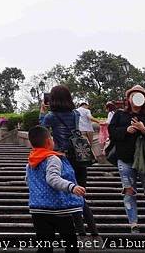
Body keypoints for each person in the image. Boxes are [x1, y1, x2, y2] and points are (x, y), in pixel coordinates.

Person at [42, 85, 98, 237]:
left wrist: (42, 113)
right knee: (79, 195)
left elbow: (41, 133)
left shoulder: (51, 116)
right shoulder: (75, 114)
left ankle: (83, 233)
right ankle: (92, 232)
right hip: (80, 157)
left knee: (72, 194)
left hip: (64, 158)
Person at [27, 125, 85, 253]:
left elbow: (28, 180)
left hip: (37, 209)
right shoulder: (52, 158)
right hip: (58, 209)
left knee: (44, 246)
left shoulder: (31, 161)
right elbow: (52, 179)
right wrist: (72, 187)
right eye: (52, 138)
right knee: (71, 244)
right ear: (49, 141)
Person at [108, 85, 145, 233]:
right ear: (128, 99)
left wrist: (144, 130)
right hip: (125, 159)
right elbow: (112, 133)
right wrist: (125, 130)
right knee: (129, 192)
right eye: (134, 95)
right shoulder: (119, 115)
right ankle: (133, 224)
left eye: (140, 96)